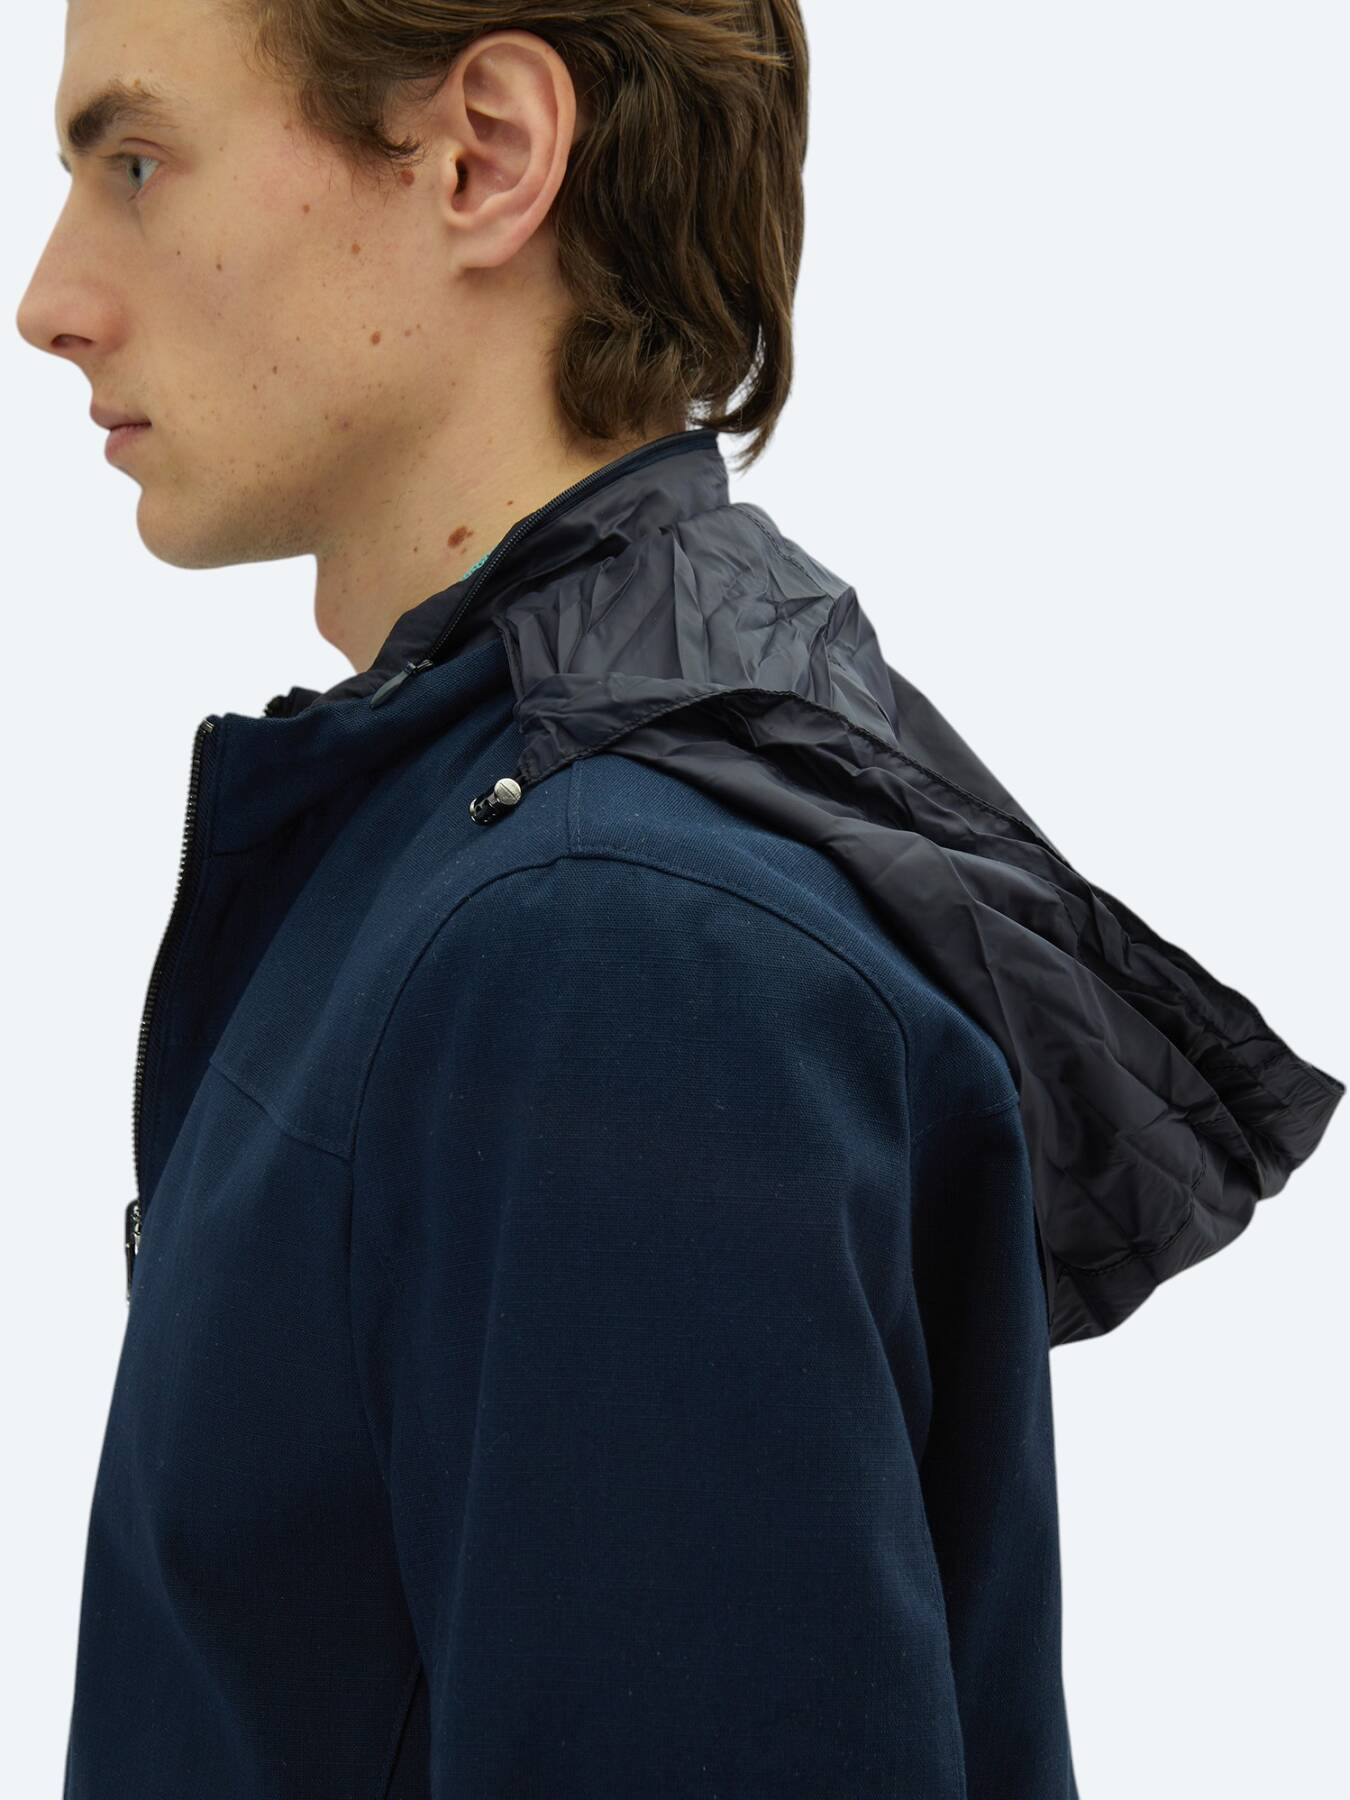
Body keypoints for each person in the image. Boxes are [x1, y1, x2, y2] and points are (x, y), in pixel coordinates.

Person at [18, 4, 1342, 1797]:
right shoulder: (481, 852)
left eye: (136, 163)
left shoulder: (612, 958)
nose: (52, 301)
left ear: (484, 154)